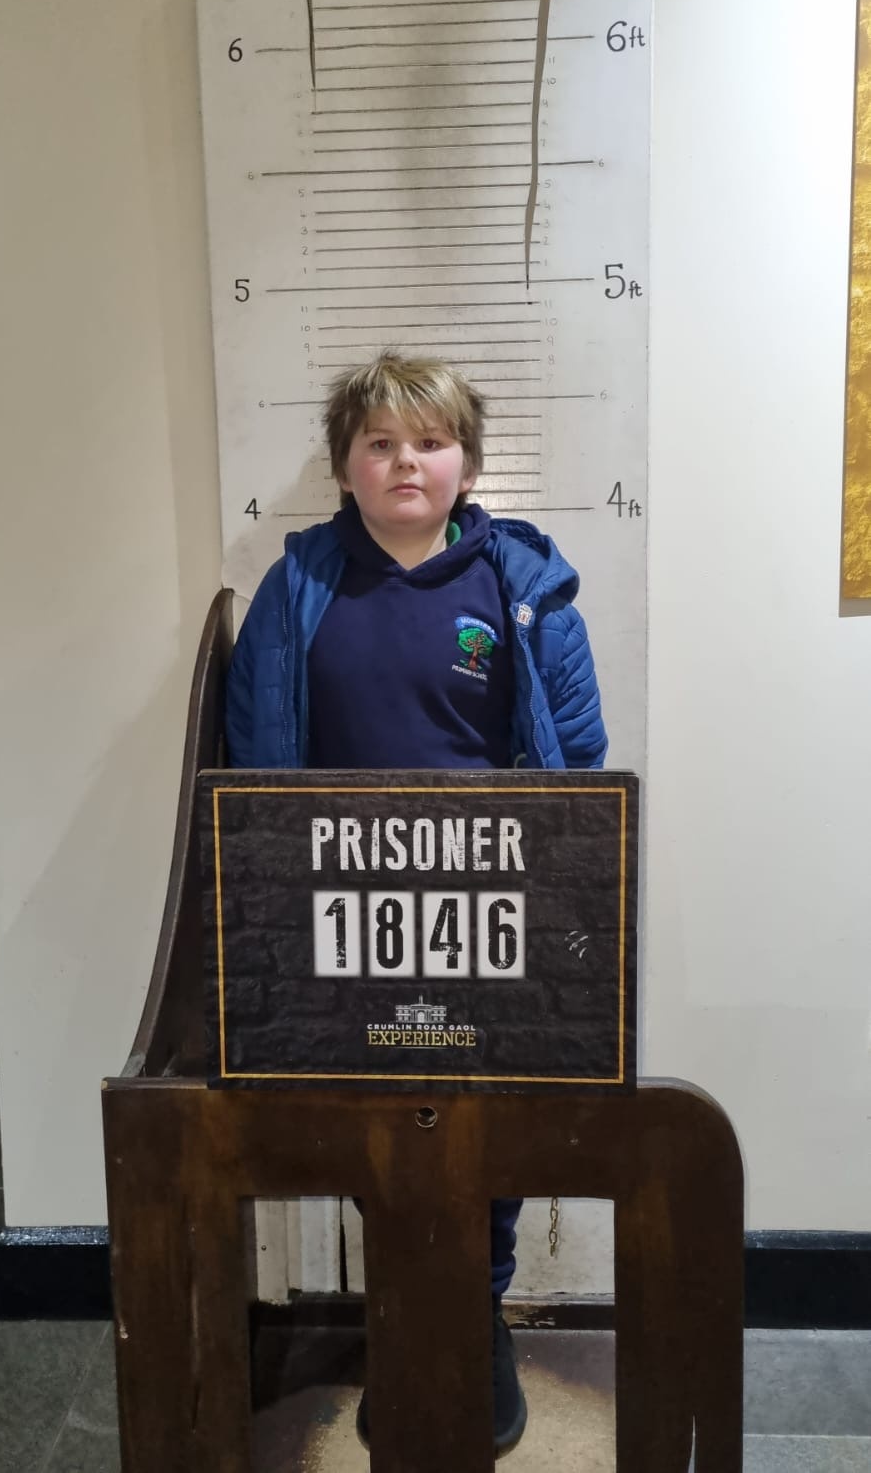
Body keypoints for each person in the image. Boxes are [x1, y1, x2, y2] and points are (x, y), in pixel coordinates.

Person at [225, 352, 607, 1457]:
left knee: (490, 1127)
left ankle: (474, 1315)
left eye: (429, 442)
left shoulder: (525, 590)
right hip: (346, 916)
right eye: (380, 443)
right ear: (345, 465)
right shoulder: (297, 590)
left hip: (490, 916)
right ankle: (402, 1309)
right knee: (371, 1126)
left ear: (465, 465)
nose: (405, 462)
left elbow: (578, 763)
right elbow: (253, 759)